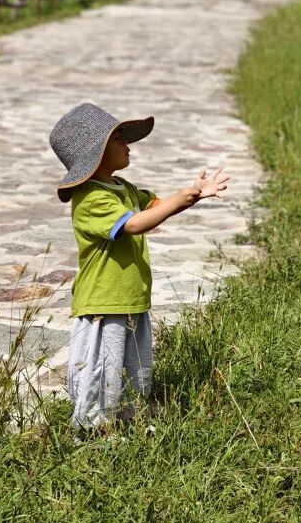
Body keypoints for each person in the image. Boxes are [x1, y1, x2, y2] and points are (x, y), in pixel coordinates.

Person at [49, 103, 229, 435]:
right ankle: (93, 431)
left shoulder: (123, 188)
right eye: (119, 139)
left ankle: (127, 423)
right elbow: (133, 225)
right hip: (104, 302)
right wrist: (180, 200)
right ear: (98, 152)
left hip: (131, 298)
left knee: (134, 368)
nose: (128, 145)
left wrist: (191, 196)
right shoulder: (90, 198)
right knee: (103, 369)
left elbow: (155, 206)